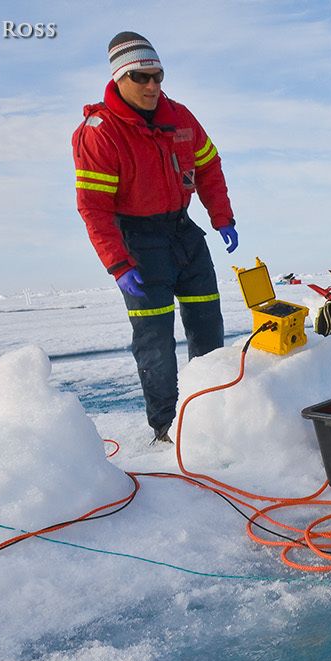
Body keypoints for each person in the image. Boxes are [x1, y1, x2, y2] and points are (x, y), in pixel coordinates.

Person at [71, 32, 239, 444]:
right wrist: (118, 263)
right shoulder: (100, 133)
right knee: (155, 340)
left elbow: (209, 166)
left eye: (158, 76)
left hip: (182, 232)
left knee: (208, 326)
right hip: (138, 241)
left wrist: (222, 217)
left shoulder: (180, 117)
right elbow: (94, 206)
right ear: (120, 78)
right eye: (141, 77)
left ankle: (207, 412)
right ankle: (166, 426)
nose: (152, 86)